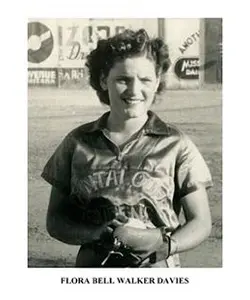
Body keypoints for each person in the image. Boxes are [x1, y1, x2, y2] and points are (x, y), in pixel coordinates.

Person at [41, 28, 212, 268]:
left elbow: (201, 222)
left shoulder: (176, 144)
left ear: (157, 82)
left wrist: (166, 245)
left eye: (145, 80)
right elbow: (56, 221)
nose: (134, 90)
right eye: (123, 79)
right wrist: (96, 233)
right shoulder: (77, 142)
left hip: (156, 274)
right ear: (103, 80)